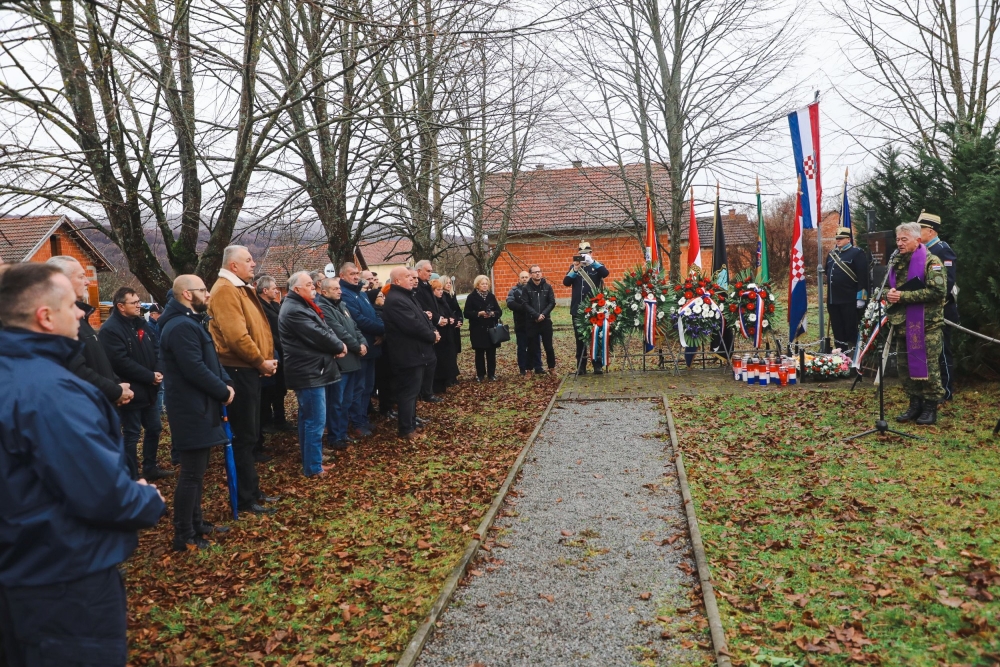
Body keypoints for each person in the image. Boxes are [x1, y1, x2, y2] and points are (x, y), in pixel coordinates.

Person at [0, 263, 165, 667]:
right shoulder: (49, 391)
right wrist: (145, 499)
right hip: (64, 581)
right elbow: (101, 493)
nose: (80, 312)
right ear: (45, 316)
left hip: (23, 571)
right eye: (72, 305)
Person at [158, 275, 235, 551]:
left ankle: (197, 523)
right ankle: (184, 534)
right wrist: (222, 391)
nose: (208, 294)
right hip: (191, 410)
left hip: (201, 406)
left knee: (197, 472)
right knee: (191, 473)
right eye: (203, 290)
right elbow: (194, 368)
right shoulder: (179, 326)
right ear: (187, 295)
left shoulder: (190, 322)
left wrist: (226, 383)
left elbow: (210, 360)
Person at [207, 245, 278, 515]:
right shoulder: (226, 289)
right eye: (248, 260)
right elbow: (236, 336)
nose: (254, 263)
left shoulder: (238, 287)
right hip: (239, 370)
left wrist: (263, 360)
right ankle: (247, 498)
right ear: (233, 265)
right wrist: (260, 361)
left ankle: (254, 491)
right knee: (244, 436)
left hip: (249, 369)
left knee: (250, 434)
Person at [99, 286, 171, 481]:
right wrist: (149, 375)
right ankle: (132, 474)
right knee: (132, 434)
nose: (139, 305)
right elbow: (120, 362)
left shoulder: (140, 324)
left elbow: (156, 348)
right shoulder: (110, 330)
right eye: (135, 302)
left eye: (139, 301)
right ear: (121, 306)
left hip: (150, 389)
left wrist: (158, 371)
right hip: (130, 391)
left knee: (154, 428)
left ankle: (150, 467)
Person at [279, 272, 346, 476]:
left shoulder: (303, 305)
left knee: (309, 419)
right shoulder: (294, 310)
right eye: (309, 285)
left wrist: (337, 343)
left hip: (313, 369)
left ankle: (312, 461)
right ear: (296, 289)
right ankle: (313, 467)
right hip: (308, 371)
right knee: (314, 421)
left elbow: (325, 328)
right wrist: (338, 345)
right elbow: (318, 334)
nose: (313, 288)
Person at [46, 256, 133, 407]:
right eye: (81, 276)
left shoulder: (81, 318)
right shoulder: (58, 322)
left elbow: (99, 362)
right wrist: (115, 391)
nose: (87, 281)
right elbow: (76, 370)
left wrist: (117, 386)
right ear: (61, 280)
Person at [886, 222, 947, 425]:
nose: (899, 244)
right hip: (903, 323)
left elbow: (937, 292)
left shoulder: (931, 262)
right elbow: (892, 286)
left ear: (917, 240)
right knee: (905, 368)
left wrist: (903, 296)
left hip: (926, 325)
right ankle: (915, 405)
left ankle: (930, 407)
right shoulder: (898, 261)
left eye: (904, 239)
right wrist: (891, 293)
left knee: (927, 367)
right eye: (897, 239)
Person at [382, 267, 439, 440]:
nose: (412, 279)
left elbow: (422, 318)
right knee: (408, 393)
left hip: (416, 353)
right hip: (407, 354)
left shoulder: (407, 296)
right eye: (407, 276)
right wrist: (431, 335)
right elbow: (412, 325)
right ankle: (406, 429)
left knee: (413, 392)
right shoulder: (396, 300)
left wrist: (433, 331)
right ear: (397, 281)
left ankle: (412, 423)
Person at [317, 277, 367, 449]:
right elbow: (339, 332)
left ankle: (342, 433)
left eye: (339, 288)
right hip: (340, 362)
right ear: (324, 292)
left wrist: (363, 343)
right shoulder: (324, 308)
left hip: (352, 359)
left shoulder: (342, 306)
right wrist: (357, 346)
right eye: (334, 289)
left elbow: (355, 327)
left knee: (346, 401)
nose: (339, 291)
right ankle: (335, 436)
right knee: (336, 402)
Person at [339, 263, 384, 434]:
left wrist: (382, 329)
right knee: (358, 387)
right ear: (342, 276)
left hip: (372, 346)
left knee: (368, 386)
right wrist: (381, 329)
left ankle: (363, 418)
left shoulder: (361, 293)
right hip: (361, 348)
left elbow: (373, 314)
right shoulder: (346, 295)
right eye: (352, 274)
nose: (356, 276)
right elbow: (358, 319)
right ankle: (357, 422)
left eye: (357, 273)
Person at [918, 212, 959, 401]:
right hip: (925, 309)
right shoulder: (922, 250)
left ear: (930, 231)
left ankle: (946, 391)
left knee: (942, 352)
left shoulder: (942, 250)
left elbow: (948, 283)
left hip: (942, 309)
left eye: (920, 230)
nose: (917, 234)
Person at [563, 241, 609, 374]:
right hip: (578, 309)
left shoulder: (597, 266)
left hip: (595, 309)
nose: (583, 256)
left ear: (591, 253)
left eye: (586, 253)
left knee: (596, 336)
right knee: (580, 338)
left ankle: (597, 364)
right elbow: (566, 282)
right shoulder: (574, 268)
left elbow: (605, 273)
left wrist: (592, 261)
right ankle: (581, 366)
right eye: (581, 254)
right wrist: (575, 269)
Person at [825, 226, 869, 352]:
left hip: (849, 299)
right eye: (837, 238)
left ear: (848, 239)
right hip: (833, 299)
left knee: (850, 329)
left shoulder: (857, 253)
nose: (838, 240)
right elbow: (828, 273)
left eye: (841, 238)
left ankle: (853, 353)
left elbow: (863, 276)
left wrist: (861, 297)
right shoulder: (832, 254)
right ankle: (840, 352)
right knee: (837, 328)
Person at [256, 275, 290, 437]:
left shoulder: (275, 305)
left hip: (281, 350)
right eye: (274, 288)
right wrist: (281, 344)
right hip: (271, 351)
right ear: (265, 290)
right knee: (269, 389)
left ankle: (280, 418)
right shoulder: (260, 307)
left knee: (280, 388)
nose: (277, 290)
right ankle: (267, 421)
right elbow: (267, 331)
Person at [413, 260, 446, 402]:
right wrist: (437, 319)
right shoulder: (418, 288)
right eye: (428, 271)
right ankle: (425, 392)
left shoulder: (427, 285)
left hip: (432, 326)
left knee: (433, 361)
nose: (430, 273)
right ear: (419, 271)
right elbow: (424, 307)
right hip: (425, 327)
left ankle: (428, 390)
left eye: (431, 271)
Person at [464, 275, 503, 381]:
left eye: (486, 284)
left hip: (491, 328)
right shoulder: (471, 297)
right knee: (479, 353)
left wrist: (493, 314)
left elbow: (499, 312)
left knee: (491, 352)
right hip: (478, 329)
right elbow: (466, 313)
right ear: (477, 285)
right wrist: (478, 313)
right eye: (482, 284)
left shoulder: (491, 296)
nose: (485, 286)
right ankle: (480, 374)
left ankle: (492, 374)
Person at [521, 265, 557, 374]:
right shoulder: (526, 288)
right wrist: (536, 315)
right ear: (531, 274)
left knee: (548, 346)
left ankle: (551, 368)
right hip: (532, 322)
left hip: (545, 321)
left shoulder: (547, 287)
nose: (538, 274)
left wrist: (543, 314)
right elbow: (525, 304)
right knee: (531, 347)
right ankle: (529, 370)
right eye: (535, 272)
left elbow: (552, 302)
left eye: (539, 271)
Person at [431, 280, 459, 392]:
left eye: (441, 289)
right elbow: (437, 318)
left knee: (449, 358)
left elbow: (451, 313)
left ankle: (448, 380)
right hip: (440, 336)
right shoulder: (433, 304)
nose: (441, 292)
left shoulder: (443, 301)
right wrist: (446, 320)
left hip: (449, 334)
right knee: (441, 361)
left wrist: (453, 320)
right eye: (438, 290)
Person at [506, 270, 534, 375]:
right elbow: (510, 303)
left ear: (529, 277)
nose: (524, 279)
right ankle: (522, 368)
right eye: (522, 277)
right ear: (519, 279)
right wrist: (524, 308)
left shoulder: (533, 289)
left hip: (533, 322)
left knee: (534, 346)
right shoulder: (514, 290)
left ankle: (537, 366)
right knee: (522, 347)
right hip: (520, 323)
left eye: (526, 277)